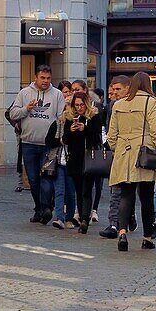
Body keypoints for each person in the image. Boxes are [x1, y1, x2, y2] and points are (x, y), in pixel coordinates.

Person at [106, 71, 156, 252]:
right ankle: (147, 237)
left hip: (124, 153)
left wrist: (117, 149)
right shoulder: (150, 101)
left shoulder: (118, 104)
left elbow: (111, 135)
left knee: (126, 194)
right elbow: (155, 129)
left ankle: (122, 232)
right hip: (144, 153)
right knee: (146, 196)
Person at [8, 64, 65, 224]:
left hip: (48, 145)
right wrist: (26, 108)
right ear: (36, 77)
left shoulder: (57, 95)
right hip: (28, 143)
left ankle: (46, 208)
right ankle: (39, 208)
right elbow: (12, 113)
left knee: (46, 177)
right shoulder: (24, 93)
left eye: (48, 78)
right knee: (33, 180)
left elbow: (61, 118)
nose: (45, 81)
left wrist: (59, 138)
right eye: (42, 78)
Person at [62, 90, 104, 233]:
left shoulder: (94, 117)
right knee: (79, 191)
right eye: (77, 105)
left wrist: (85, 129)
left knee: (87, 189)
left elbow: (97, 138)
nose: (79, 108)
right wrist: (72, 130)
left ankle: (85, 218)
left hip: (89, 157)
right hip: (75, 158)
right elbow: (65, 140)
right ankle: (81, 216)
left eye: (81, 105)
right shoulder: (69, 118)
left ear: (86, 104)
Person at [99, 76, 131, 238]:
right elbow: (107, 127)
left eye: (118, 89)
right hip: (117, 153)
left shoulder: (134, 104)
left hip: (132, 153)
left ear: (127, 88)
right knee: (116, 189)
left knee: (130, 190)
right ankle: (114, 223)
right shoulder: (112, 106)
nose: (115, 92)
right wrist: (109, 144)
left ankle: (128, 217)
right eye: (113, 89)